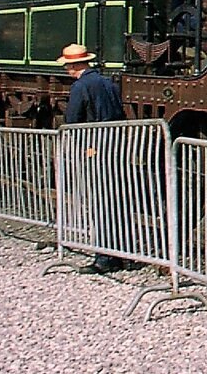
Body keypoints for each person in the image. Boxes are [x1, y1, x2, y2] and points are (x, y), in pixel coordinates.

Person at [59, 43, 126, 274]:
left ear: (73, 65)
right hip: (115, 146)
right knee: (115, 202)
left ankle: (104, 257)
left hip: (94, 148)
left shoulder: (80, 86)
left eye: (67, 66)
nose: (67, 70)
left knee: (100, 202)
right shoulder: (109, 83)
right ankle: (119, 252)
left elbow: (72, 119)